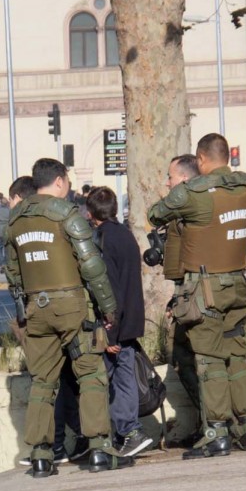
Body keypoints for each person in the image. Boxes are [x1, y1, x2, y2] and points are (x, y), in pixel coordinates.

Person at [149, 133, 246, 459]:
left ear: (200, 158)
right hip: (238, 284)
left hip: (204, 289)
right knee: (236, 356)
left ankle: (217, 433)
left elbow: (156, 213)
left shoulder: (193, 192)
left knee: (209, 360)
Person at [5, 158, 123, 477]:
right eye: (67, 180)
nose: (68, 186)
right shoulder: (66, 213)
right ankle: (100, 447)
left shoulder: (15, 220)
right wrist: (108, 306)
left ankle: (41, 455)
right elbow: (91, 265)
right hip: (72, 305)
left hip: (36, 309)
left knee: (43, 381)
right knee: (90, 374)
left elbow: (13, 272)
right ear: (58, 181)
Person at [87, 187, 154, 457]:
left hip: (116, 324)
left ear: (90, 214)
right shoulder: (126, 234)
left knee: (114, 381)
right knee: (123, 377)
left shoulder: (103, 240)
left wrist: (109, 334)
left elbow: (110, 289)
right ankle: (126, 432)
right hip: (130, 319)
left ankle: (128, 431)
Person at [163, 154, 202, 440]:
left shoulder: (187, 208)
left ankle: (214, 422)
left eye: (171, 177)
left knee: (184, 354)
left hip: (194, 294)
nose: (167, 182)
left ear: (184, 179)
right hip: (196, 290)